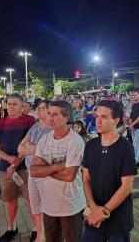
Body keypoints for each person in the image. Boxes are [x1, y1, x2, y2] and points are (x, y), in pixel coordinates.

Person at [30, 100, 85, 242]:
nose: (49, 118)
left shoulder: (75, 141)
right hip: (48, 205)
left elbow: (69, 176)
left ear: (66, 118)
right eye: (49, 113)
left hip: (70, 205)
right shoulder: (44, 139)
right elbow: (34, 171)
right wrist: (56, 166)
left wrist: (45, 167)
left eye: (54, 115)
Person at [82, 100, 137, 241]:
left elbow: (127, 186)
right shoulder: (90, 146)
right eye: (97, 117)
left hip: (118, 218)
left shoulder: (125, 147)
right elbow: (86, 179)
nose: (98, 121)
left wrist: (103, 211)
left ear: (116, 120)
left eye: (104, 117)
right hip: (93, 216)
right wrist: (93, 208)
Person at [0, 94, 36, 242]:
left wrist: (15, 162)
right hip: (5, 168)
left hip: (25, 167)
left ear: (23, 106)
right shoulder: (1, 123)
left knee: (31, 199)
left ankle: (36, 228)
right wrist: (9, 159)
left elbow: (30, 145)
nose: (10, 106)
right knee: (9, 199)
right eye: (8, 104)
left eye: (14, 104)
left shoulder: (29, 121)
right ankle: (11, 228)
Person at [17, 100, 52, 242]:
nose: (39, 110)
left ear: (50, 112)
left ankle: (48, 235)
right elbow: (20, 147)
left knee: (47, 207)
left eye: (43, 108)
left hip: (46, 174)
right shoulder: (35, 127)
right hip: (31, 173)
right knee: (35, 206)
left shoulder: (52, 128)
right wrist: (34, 148)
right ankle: (40, 235)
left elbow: (47, 151)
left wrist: (30, 147)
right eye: (38, 108)